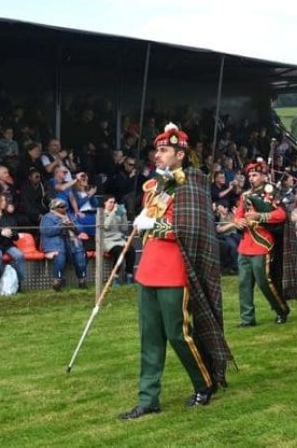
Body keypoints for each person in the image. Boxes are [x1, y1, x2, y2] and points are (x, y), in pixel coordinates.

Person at [119, 123, 232, 420]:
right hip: (149, 270)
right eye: (157, 149)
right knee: (149, 338)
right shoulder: (154, 187)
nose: (158, 155)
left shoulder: (192, 183)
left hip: (174, 270)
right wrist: (143, 218)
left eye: (164, 150)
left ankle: (204, 382)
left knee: (178, 335)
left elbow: (190, 228)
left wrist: (153, 224)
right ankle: (148, 398)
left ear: (180, 154)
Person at [233, 161, 290, 326]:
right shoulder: (245, 195)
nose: (251, 178)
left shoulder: (271, 193)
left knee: (264, 281)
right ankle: (247, 318)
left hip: (262, 242)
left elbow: (281, 215)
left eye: (255, 175)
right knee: (244, 283)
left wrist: (260, 217)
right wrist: (238, 222)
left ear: (264, 176)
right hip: (245, 243)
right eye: (250, 175)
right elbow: (238, 215)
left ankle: (281, 309)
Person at [39, 198, 88, 290]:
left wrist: (73, 226)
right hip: (55, 243)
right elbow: (46, 231)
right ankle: (57, 281)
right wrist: (61, 226)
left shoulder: (70, 216)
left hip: (72, 243)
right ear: (54, 208)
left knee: (80, 254)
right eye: (62, 207)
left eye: (66, 206)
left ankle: (82, 280)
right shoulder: (47, 217)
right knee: (60, 255)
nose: (65, 208)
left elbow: (80, 228)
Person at [101, 195, 135, 285]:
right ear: (105, 203)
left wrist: (124, 215)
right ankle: (114, 277)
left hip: (119, 240)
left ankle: (129, 275)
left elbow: (124, 228)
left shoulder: (117, 214)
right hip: (107, 241)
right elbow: (106, 226)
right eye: (110, 202)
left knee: (131, 250)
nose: (112, 204)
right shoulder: (101, 214)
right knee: (120, 252)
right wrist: (112, 213)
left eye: (114, 202)